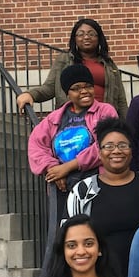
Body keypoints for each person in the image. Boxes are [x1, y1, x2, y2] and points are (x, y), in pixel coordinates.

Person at [28, 65, 118, 233]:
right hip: (64, 189)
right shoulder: (54, 119)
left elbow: (106, 145)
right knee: (67, 234)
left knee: (99, 232)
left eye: (87, 86)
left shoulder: (105, 111)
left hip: (98, 185)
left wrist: (69, 166)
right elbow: (36, 146)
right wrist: (53, 168)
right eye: (76, 88)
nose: (84, 91)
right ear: (67, 93)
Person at [66, 118, 139, 277]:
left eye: (122, 145)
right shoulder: (83, 191)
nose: (116, 151)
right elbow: (71, 239)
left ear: (131, 150)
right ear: (99, 152)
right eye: (109, 146)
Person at [17, 18, 128, 117]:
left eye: (91, 34)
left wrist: (126, 127)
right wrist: (30, 94)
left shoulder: (108, 64)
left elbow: (121, 100)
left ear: (99, 38)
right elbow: (49, 88)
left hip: (104, 119)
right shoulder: (64, 60)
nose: (86, 37)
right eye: (80, 34)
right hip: (73, 118)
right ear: (74, 39)